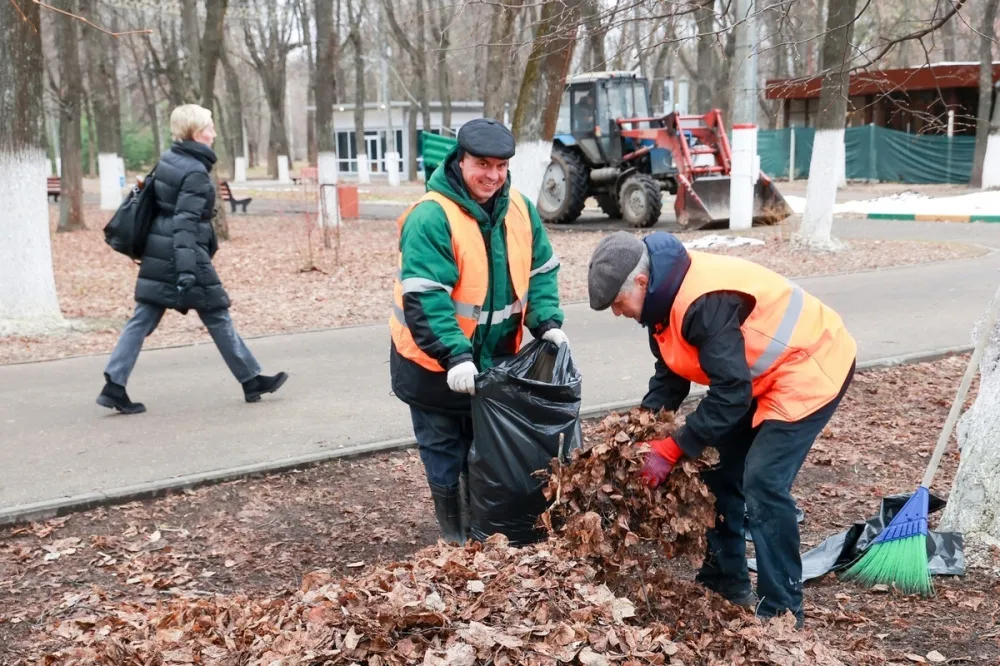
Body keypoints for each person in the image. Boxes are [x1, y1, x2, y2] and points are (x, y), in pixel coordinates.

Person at [587, 230, 857, 628]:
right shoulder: (660, 300)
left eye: (617, 302)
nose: (617, 312)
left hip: (810, 362)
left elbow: (731, 393)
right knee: (719, 471)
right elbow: (671, 376)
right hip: (756, 375)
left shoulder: (702, 303)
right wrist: (641, 431)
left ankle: (782, 611)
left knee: (763, 482)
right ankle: (726, 580)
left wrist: (675, 447)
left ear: (641, 281)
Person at [389, 118, 567, 544]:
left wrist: (547, 324)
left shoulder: (521, 210)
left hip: (494, 361)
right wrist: (455, 355)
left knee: (484, 447)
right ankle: (455, 535)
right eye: (482, 164)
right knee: (443, 448)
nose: (492, 175)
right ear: (460, 160)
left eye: (501, 166)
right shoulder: (431, 217)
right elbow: (426, 296)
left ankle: (482, 532)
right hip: (432, 363)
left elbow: (542, 271)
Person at [97, 104, 287, 414]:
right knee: (216, 313)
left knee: (146, 318)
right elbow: (184, 223)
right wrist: (187, 272)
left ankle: (114, 384)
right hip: (183, 255)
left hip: (161, 250)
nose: (214, 132)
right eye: (210, 127)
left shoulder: (171, 159)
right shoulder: (195, 172)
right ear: (198, 133)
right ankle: (250, 379)